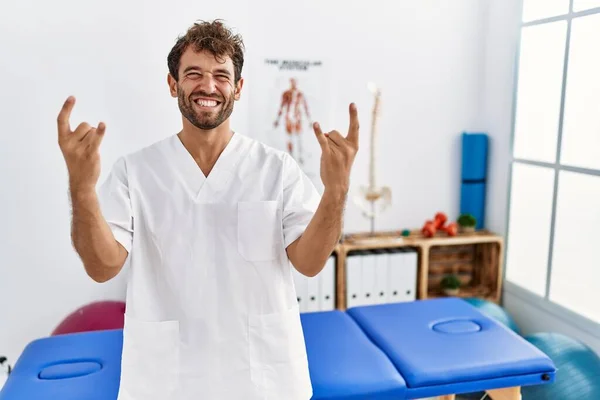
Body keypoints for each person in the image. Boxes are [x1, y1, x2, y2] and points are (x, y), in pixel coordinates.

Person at [56, 19, 359, 400]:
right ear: (173, 84)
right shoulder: (135, 172)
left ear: (238, 88)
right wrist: (81, 188)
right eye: (193, 73)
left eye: (221, 75)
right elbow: (102, 267)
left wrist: (337, 189)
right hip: (168, 381)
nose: (208, 86)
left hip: (261, 378)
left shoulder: (275, 168)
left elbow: (310, 262)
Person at [274, 77, 311, 165]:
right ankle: (291, 158)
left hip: (297, 118)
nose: (294, 84)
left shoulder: (300, 94)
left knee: (299, 138)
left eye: (295, 82)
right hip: (289, 118)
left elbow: (305, 107)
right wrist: (277, 120)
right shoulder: (286, 94)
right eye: (292, 82)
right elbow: (281, 107)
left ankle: (300, 157)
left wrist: (309, 120)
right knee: (290, 138)